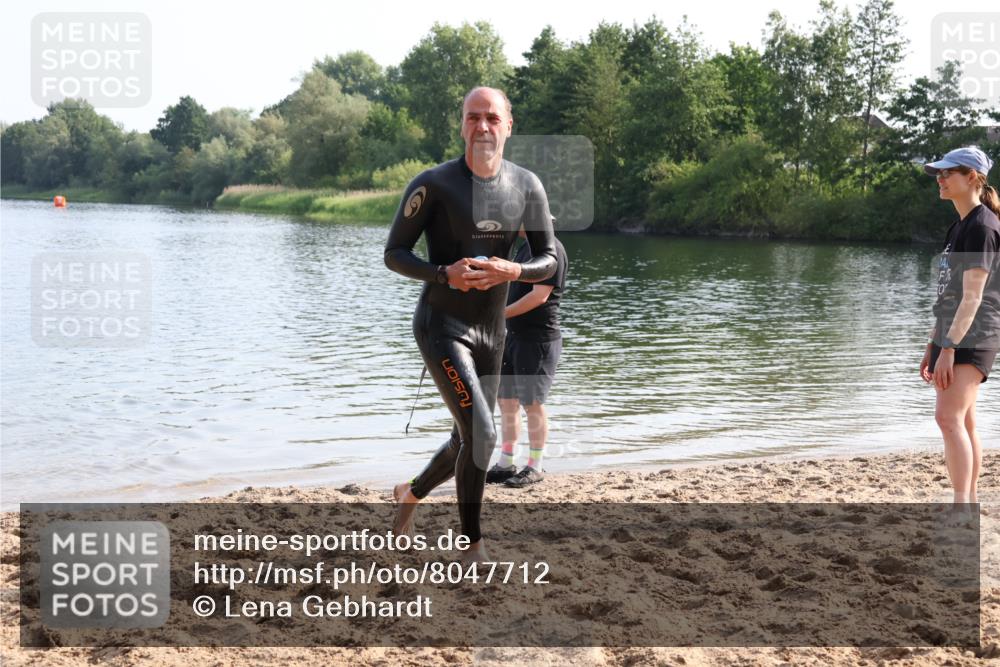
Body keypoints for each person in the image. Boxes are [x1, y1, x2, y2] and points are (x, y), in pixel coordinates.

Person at [384, 87, 557, 561]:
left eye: (492, 118)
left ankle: (410, 494)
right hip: (442, 325)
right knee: (483, 433)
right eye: (473, 117)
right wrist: (443, 273)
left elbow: (547, 260)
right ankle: (472, 545)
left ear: (508, 124)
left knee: (468, 436)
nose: (483, 127)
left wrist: (513, 271)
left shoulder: (527, 186)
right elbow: (394, 253)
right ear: (461, 124)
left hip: (492, 333)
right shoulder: (434, 184)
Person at [919, 145, 1000, 506]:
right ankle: (965, 501)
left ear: (972, 177)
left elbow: (973, 297)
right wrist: (933, 344)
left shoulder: (982, 226)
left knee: (948, 418)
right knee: (963, 422)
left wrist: (948, 348)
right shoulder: (960, 225)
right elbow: (949, 294)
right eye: (938, 172)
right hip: (953, 333)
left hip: (974, 334)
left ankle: (961, 506)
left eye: (947, 172)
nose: (940, 178)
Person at [487, 229, 568, 487]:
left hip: (539, 340)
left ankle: (535, 465)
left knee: (532, 403)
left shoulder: (550, 249)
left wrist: (499, 315)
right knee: (506, 402)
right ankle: (506, 462)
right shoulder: (524, 248)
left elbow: (539, 296)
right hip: (514, 336)